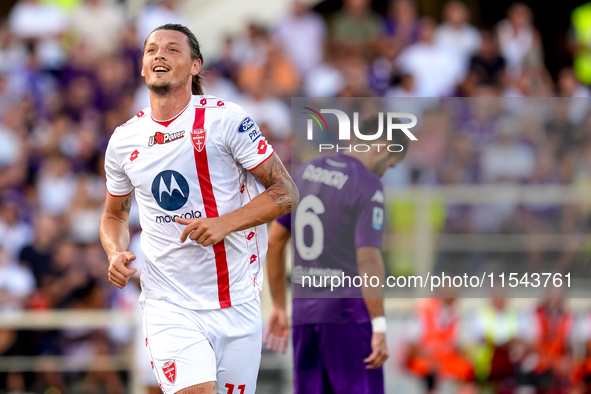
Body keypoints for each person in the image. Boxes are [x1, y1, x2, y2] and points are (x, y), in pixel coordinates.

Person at [98, 24, 298, 394]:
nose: (159, 55)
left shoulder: (227, 120)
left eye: (172, 49)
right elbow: (114, 215)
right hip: (168, 303)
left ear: (195, 66)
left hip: (237, 299)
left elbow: (286, 192)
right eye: (151, 50)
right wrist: (114, 251)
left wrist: (225, 224)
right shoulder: (124, 140)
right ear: (142, 68)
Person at [264, 115, 409, 394]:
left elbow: (275, 241)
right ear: (384, 145)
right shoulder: (366, 184)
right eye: (391, 163)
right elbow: (368, 259)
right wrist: (379, 325)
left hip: (305, 314)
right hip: (347, 314)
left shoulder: (305, 171)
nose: (385, 171)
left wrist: (280, 306)